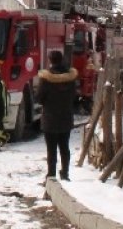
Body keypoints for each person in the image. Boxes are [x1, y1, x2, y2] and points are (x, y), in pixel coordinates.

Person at [35, 49, 79, 181]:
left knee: (51, 148)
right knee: (64, 147)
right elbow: (74, 96)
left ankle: (51, 173)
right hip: (65, 117)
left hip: (50, 118)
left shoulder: (46, 79)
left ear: (50, 61)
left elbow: (39, 98)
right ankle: (65, 173)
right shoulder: (70, 78)